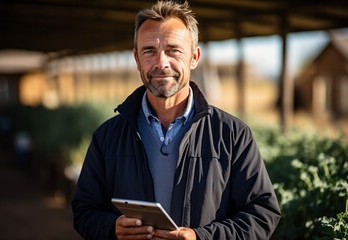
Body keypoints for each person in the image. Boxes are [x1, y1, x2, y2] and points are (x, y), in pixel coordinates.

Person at [72, 1, 281, 239]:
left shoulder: (233, 134)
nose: (161, 63)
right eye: (149, 51)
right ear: (137, 59)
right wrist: (112, 228)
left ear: (194, 57)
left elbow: (262, 214)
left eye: (173, 50)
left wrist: (200, 237)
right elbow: (84, 211)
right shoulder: (107, 137)